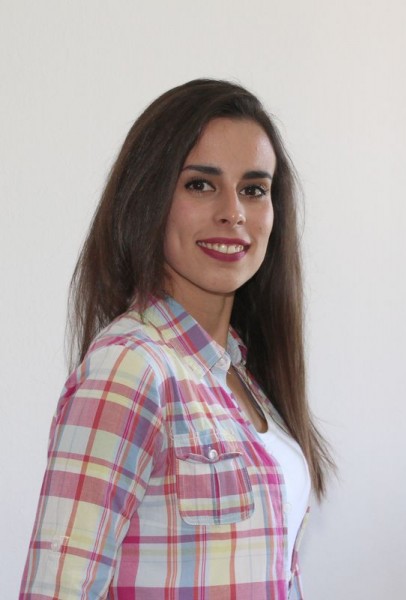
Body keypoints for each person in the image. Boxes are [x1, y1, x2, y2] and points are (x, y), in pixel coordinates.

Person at [20, 79, 333, 599]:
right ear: (149, 198)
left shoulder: (240, 376)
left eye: (254, 189)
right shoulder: (130, 368)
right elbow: (58, 589)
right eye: (201, 185)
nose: (233, 211)